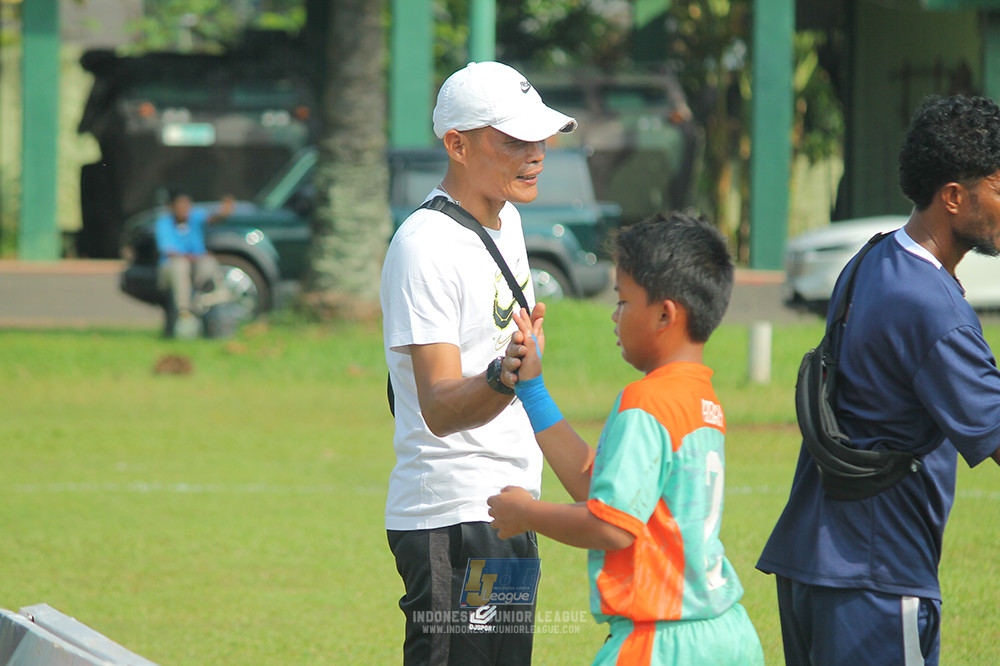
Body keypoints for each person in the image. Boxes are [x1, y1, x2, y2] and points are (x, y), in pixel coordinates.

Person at [757, 94, 1000, 666]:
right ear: (955, 197)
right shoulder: (933, 308)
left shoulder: (873, 258)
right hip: (875, 575)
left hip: (815, 562)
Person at [487, 212, 764, 666]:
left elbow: (612, 526)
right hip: (727, 633)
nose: (614, 316)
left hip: (662, 642)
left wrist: (526, 513)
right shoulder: (700, 397)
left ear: (664, 314)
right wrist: (532, 391)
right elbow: (601, 488)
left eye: (623, 301)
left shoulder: (646, 402)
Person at [379, 61, 577, 664]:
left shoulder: (508, 221)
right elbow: (437, 407)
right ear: (457, 144)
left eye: (539, 136)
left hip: (510, 504)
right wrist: (504, 374)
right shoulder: (425, 244)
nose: (536, 152)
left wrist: (519, 368)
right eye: (514, 139)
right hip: (454, 516)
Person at [154, 190, 234, 336]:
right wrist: (192, 257)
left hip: (195, 268)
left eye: (187, 206)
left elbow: (213, 218)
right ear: (172, 207)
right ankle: (184, 312)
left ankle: (206, 297)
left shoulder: (194, 217)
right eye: (180, 206)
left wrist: (225, 211)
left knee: (209, 262)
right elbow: (169, 252)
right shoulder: (164, 223)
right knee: (180, 265)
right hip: (171, 269)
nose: (185, 209)